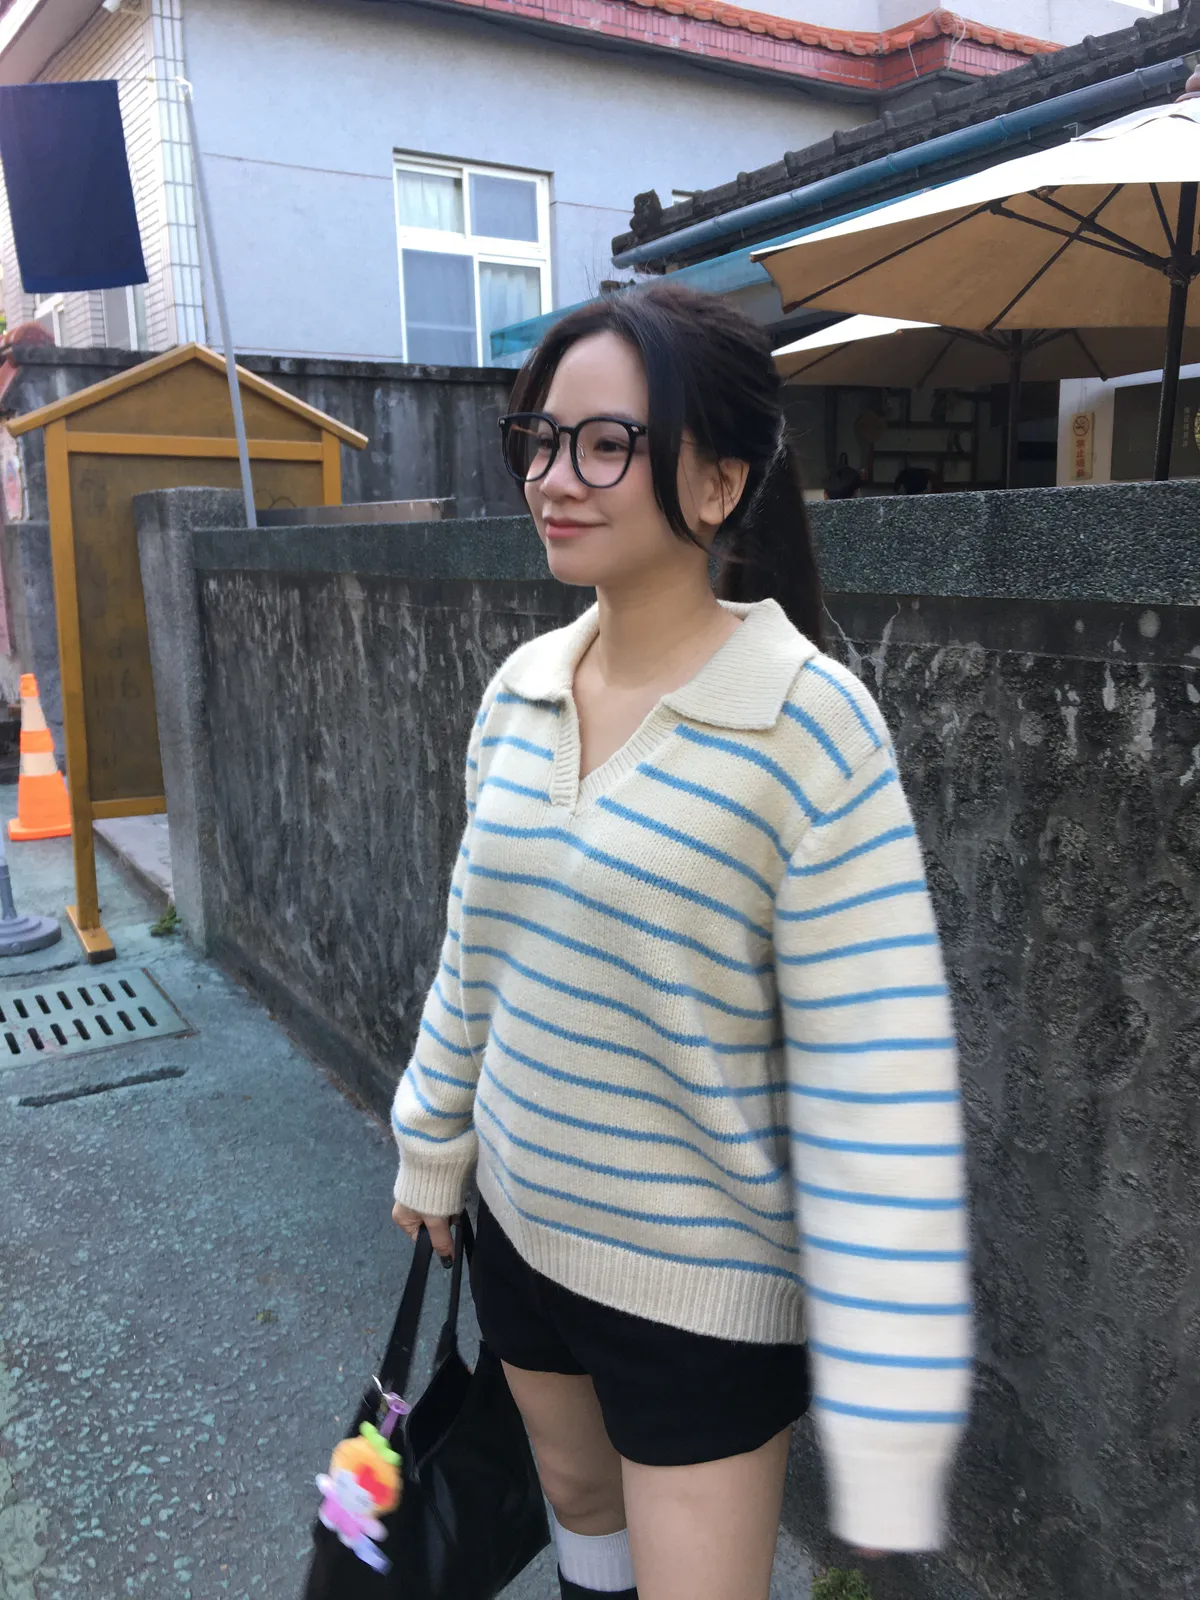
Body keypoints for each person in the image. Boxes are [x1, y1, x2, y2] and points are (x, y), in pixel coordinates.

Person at [391, 281, 971, 1600]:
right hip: (521, 1231)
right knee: (579, 1513)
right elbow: (475, 947)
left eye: (607, 444)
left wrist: (888, 1423)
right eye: (542, 439)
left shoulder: (814, 730)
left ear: (718, 482)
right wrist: (434, 1139)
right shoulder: (521, 692)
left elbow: (877, 1080)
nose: (555, 477)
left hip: (703, 1291)